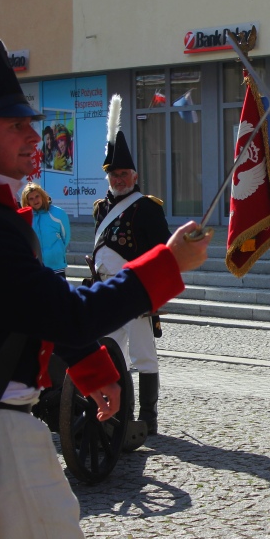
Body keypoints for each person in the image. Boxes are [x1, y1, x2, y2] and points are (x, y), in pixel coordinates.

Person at [0, 37, 207, 539]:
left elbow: (25, 310)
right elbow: (62, 313)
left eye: (30, 123)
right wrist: (167, 265)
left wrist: (92, 369)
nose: (33, 136)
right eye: (13, 125)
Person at [92, 95, 171, 436]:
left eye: (124, 173)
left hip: (136, 291)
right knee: (108, 354)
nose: (119, 179)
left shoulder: (148, 208)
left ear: (134, 175)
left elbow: (163, 253)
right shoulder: (100, 209)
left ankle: (148, 417)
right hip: (107, 292)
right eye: (114, 174)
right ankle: (115, 412)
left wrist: (153, 293)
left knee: (144, 357)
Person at [21, 182, 71, 278]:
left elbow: (66, 236)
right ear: (27, 201)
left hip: (56, 265)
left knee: (58, 293)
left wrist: (57, 250)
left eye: (37, 196)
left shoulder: (58, 213)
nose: (35, 200)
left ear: (42, 195)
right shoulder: (26, 218)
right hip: (36, 265)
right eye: (31, 199)